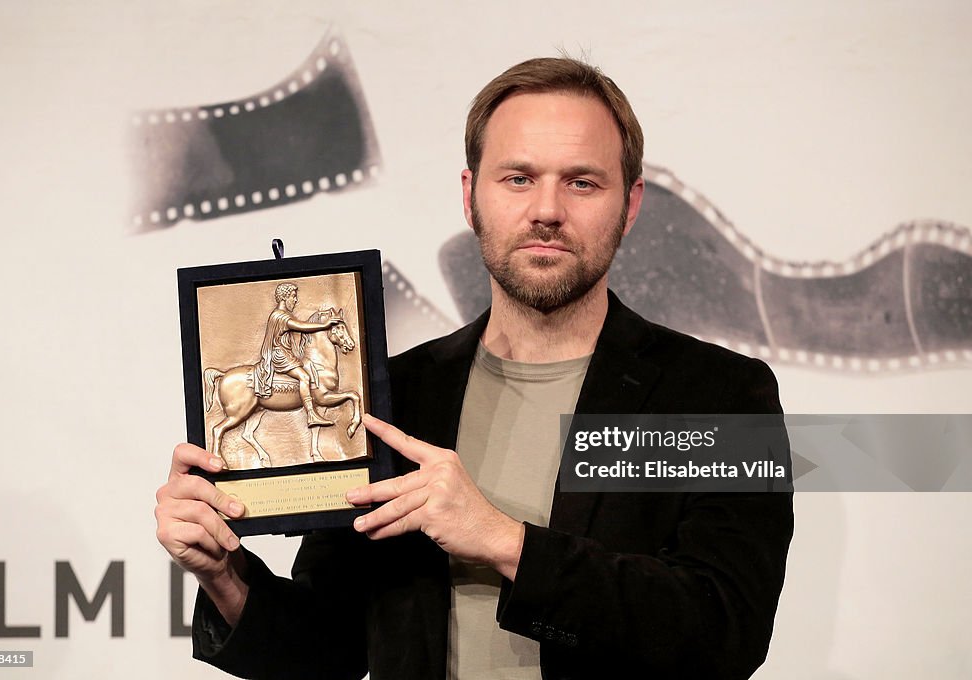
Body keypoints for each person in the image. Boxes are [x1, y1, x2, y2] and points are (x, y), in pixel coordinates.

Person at [155, 56, 793, 679]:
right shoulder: (393, 395)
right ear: (471, 197)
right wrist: (223, 575)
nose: (547, 209)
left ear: (629, 204)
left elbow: (726, 633)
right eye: (518, 178)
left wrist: (504, 541)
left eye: (582, 181)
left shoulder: (722, 395)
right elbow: (328, 649)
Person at [254, 281, 340, 427]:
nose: (295, 300)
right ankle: (311, 415)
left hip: (285, 354)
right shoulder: (280, 316)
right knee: (304, 376)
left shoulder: (282, 314)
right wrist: (324, 325)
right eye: (293, 296)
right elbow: (301, 326)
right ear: (284, 297)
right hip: (280, 356)